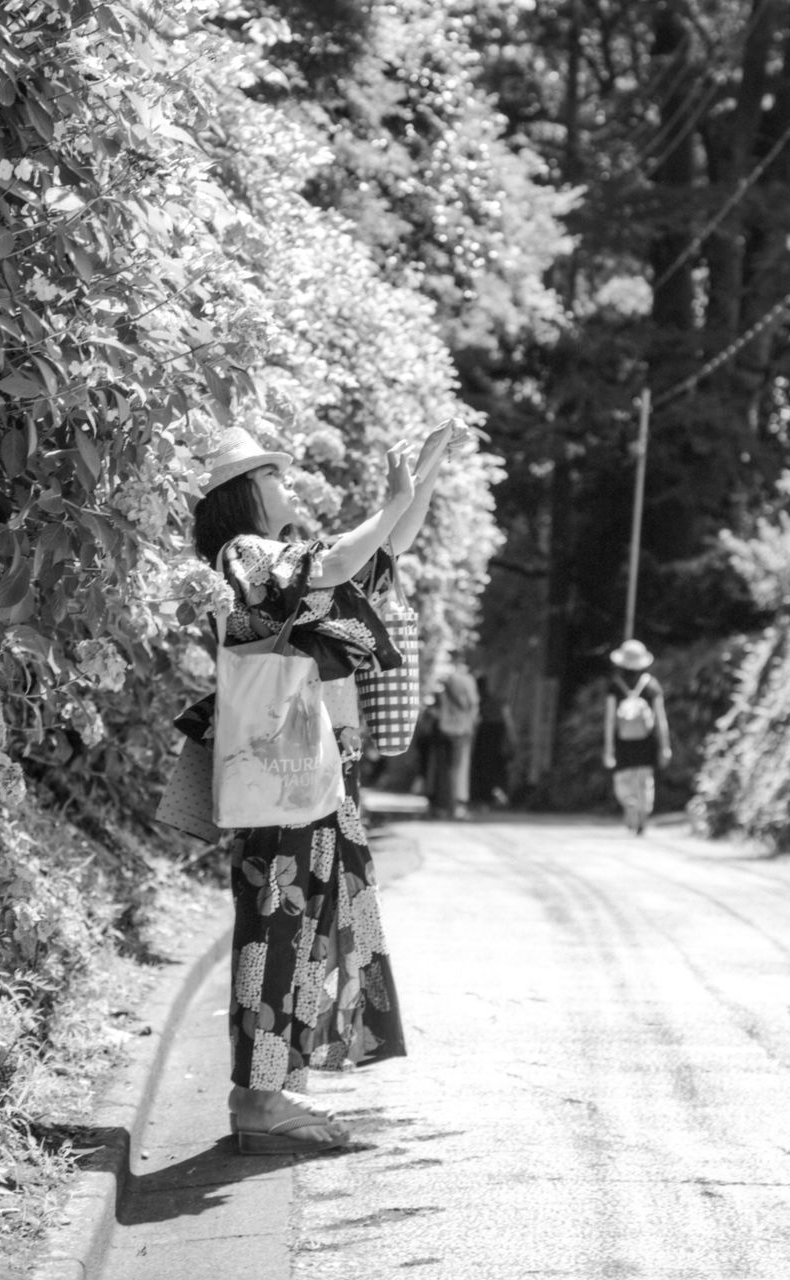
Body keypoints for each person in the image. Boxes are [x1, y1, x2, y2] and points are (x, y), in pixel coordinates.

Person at [193, 418, 459, 1154]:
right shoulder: (244, 553)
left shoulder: (282, 558)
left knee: (305, 926)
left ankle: (272, 1092)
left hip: (311, 775)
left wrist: (423, 474)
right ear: (242, 492)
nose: (288, 484)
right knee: (278, 923)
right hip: (282, 775)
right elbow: (339, 561)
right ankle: (258, 1098)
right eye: (273, 475)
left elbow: (382, 550)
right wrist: (391, 497)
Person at [601, 639, 671, 835]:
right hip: (646, 742)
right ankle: (642, 813)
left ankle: (630, 804)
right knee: (645, 781)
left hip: (623, 742)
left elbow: (609, 720)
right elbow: (661, 719)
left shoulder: (614, 686)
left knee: (623, 781)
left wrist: (608, 749)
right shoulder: (652, 685)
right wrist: (665, 746)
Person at [429, 665, 479, 819]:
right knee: (458, 769)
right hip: (462, 730)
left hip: (444, 728)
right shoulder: (468, 681)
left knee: (443, 769)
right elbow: (473, 705)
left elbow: (435, 708)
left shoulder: (444, 680)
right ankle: (455, 806)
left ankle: (443, 806)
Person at [470, 674, 515, 809]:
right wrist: (512, 737)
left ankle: (487, 797)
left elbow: (474, 720)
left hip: (485, 737)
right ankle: (499, 796)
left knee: (484, 768)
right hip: (498, 736)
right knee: (498, 768)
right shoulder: (498, 701)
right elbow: (508, 720)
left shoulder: (480, 701)